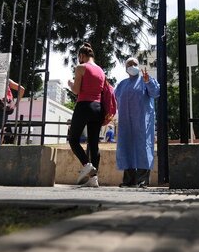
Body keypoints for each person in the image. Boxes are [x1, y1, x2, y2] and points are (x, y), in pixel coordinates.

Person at [115, 58, 160, 188]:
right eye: (129, 64)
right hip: (126, 123)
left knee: (143, 148)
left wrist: (148, 81)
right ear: (125, 68)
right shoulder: (122, 84)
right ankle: (129, 180)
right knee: (126, 148)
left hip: (142, 122)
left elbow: (155, 93)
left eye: (135, 64)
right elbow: (115, 98)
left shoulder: (145, 80)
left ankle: (142, 180)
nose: (132, 66)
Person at [68, 42, 104, 188]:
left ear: (82, 56)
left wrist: (70, 83)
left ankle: (86, 164)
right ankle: (94, 179)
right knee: (94, 144)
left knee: (73, 139)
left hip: (84, 106)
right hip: (98, 107)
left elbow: (76, 91)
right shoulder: (101, 70)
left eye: (79, 58)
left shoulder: (81, 68)